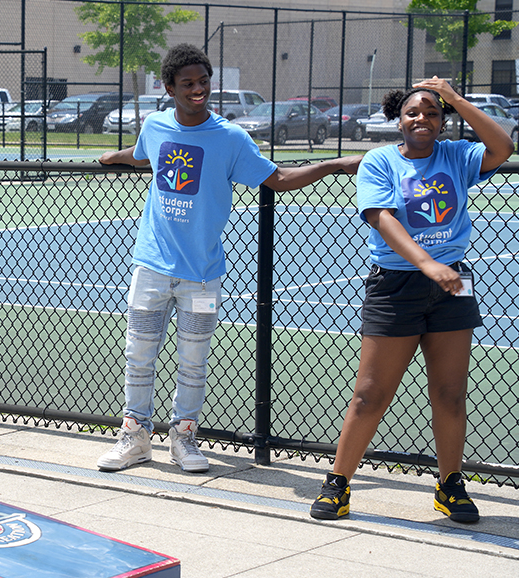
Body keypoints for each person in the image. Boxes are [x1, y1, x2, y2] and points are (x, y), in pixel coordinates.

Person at [96, 43, 361, 473]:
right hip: (151, 267)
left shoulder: (231, 138)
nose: (198, 89)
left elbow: (279, 178)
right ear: (169, 88)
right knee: (139, 353)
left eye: (203, 82)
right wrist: (113, 157)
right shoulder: (157, 125)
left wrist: (333, 165)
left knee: (193, 359)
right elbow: (141, 154)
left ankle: (183, 437)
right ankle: (136, 436)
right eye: (188, 84)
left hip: (203, 276)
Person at [309, 77, 514, 523]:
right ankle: (338, 484)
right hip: (395, 285)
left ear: (443, 122)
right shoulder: (379, 161)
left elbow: (503, 146)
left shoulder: (458, 155)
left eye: (433, 113)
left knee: (450, 393)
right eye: (413, 113)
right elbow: (382, 217)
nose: (422, 119)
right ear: (398, 119)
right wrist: (426, 263)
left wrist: (457, 98)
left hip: (453, 286)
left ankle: (450, 485)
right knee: (369, 394)